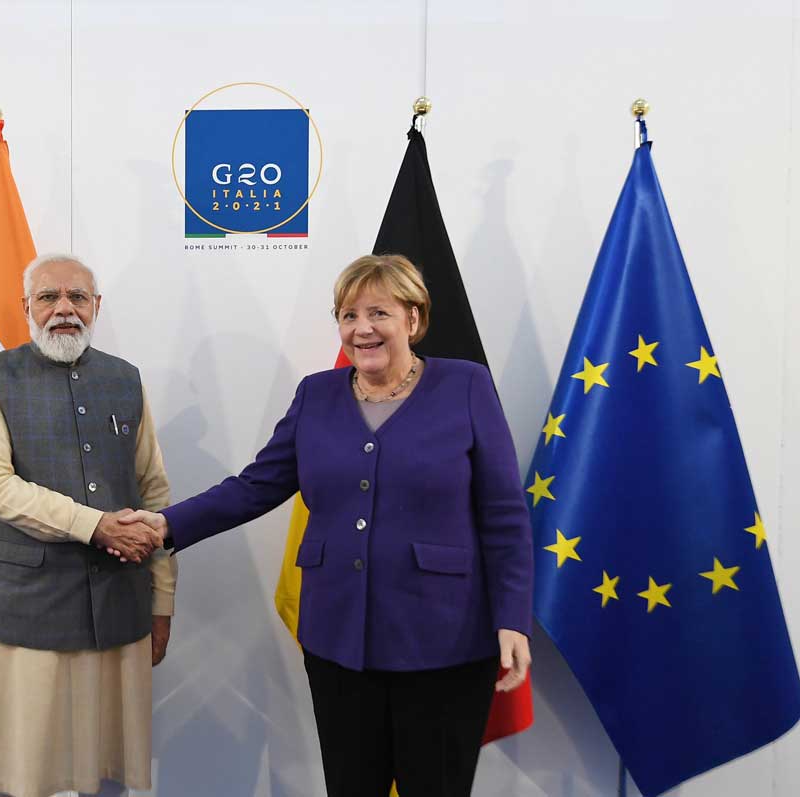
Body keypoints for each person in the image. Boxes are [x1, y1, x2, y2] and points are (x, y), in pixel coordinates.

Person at [122, 253, 534, 797]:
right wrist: (165, 526)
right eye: (347, 314)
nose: (361, 328)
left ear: (413, 319)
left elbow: (504, 515)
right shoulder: (316, 395)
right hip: (339, 637)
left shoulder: (466, 386)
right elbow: (256, 486)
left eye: (378, 313)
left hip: (446, 640)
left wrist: (511, 618)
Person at [0, 254, 175, 797]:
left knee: (107, 774)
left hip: (118, 605)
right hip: (24, 608)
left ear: (96, 307)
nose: (64, 310)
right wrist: (96, 525)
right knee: (25, 776)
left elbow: (153, 492)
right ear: (26, 307)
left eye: (78, 297)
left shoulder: (125, 379)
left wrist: (162, 601)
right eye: (49, 297)